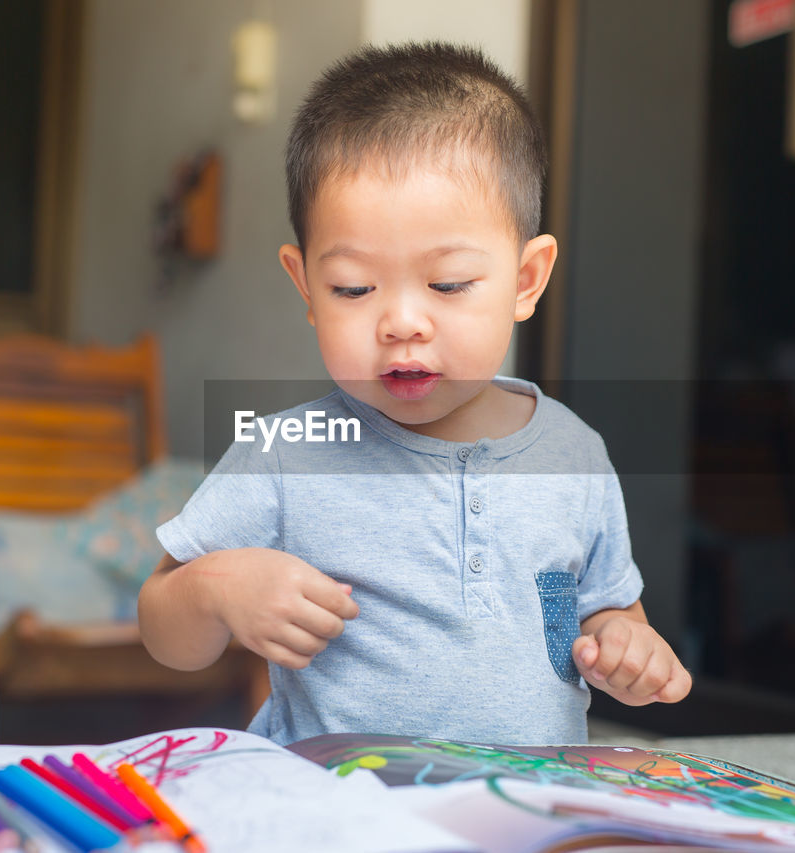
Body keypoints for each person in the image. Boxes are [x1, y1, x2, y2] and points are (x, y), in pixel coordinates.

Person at [138, 42, 690, 746]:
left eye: (449, 284)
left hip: (526, 812)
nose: (401, 322)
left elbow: (611, 610)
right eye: (353, 289)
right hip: (339, 812)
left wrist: (626, 645)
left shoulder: (573, 451)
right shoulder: (288, 453)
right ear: (305, 285)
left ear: (525, 280)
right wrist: (217, 588)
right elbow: (161, 626)